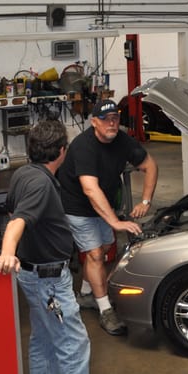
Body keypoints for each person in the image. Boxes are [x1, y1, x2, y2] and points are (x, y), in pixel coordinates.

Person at [0, 119, 90, 374]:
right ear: (61, 151)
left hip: (34, 276)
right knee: (73, 345)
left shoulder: (23, 173)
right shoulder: (40, 184)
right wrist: (8, 252)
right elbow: (17, 221)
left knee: (45, 343)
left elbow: (11, 211)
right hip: (48, 281)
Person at [58, 99, 157, 336]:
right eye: (105, 119)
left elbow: (150, 165)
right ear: (94, 122)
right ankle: (105, 310)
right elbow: (90, 189)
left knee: (102, 249)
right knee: (94, 254)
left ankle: (85, 293)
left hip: (103, 204)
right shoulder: (84, 147)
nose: (111, 123)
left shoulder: (122, 140)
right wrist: (114, 221)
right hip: (76, 205)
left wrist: (145, 201)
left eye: (115, 118)